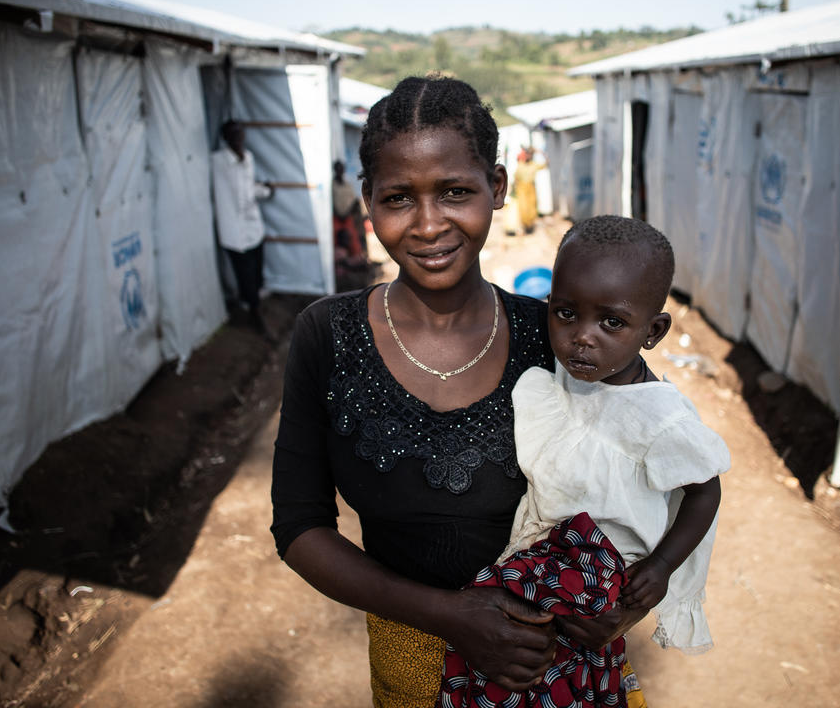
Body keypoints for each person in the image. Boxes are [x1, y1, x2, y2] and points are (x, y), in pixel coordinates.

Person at [272, 75, 612, 707]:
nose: (429, 225)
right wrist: (450, 616)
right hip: (411, 668)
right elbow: (299, 527)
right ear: (368, 203)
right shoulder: (328, 335)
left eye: (456, 191)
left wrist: (617, 604)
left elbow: (652, 471)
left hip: (549, 666)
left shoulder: (557, 339)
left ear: (498, 188)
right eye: (399, 198)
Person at [437, 216, 730, 707]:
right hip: (546, 561)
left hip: (595, 583)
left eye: (611, 322)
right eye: (566, 313)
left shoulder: (658, 418)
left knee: (555, 682)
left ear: (653, 331)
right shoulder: (564, 379)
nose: (581, 337)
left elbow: (706, 491)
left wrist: (660, 567)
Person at [210, 120, 274, 338]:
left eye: (240, 133)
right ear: (225, 137)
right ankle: (255, 315)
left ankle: (252, 306)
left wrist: (265, 190)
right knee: (244, 275)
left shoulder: (248, 158)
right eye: (233, 134)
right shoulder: (217, 162)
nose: (238, 137)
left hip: (253, 227)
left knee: (255, 273)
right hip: (234, 232)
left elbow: (248, 191)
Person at [331, 158, 368, 289]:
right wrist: (341, 213)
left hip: (347, 218)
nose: (340, 171)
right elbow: (331, 204)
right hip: (337, 219)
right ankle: (340, 268)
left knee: (353, 241)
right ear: (335, 170)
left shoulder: (347, 185)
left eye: (342, 168)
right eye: (338, 168)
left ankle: (352, 264)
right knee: (339, 242)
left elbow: (353, 201)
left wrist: (350, 210)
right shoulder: (332, 186)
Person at [513, 147, 543, 234]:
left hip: (531, 188)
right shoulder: (520, 164)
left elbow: (546, 164)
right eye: (526, 154)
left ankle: (530, 226)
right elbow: (516, 178)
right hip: (521, 189)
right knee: (523, 207)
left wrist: (541, 152)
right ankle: (526, 226)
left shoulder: (534, 165)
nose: (527, 156)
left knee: (532, 207)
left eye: (529, 154)